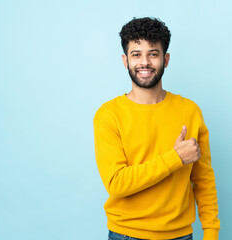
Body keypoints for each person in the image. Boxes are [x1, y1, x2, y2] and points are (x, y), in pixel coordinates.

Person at [93, 17, 220, 240]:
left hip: (180, 235)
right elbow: (116, 183)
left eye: (153, 53)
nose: (145, 62)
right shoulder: (108, 115)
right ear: (125, 60)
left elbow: (204, 180)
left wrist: (211, 233)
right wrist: (175, 158)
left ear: (166, 59)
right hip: (126, 235)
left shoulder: (190, 111)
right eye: (136, 54)